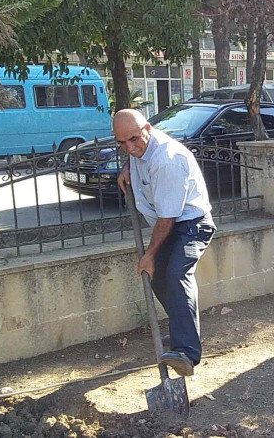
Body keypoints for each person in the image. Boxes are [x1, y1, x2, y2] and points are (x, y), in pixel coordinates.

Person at [115, 109, 215, 376]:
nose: (130, 148)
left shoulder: (167, 159)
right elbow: (135, 155)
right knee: (158, 278)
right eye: (122, 143)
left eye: (133, 139)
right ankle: (184, 327)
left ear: (147, 129)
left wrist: (149, 254)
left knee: (176, 273)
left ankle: (186, 353)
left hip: (192, 224)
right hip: (170, 223)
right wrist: (127, 168)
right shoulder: (139, 148)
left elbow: (167, 219)